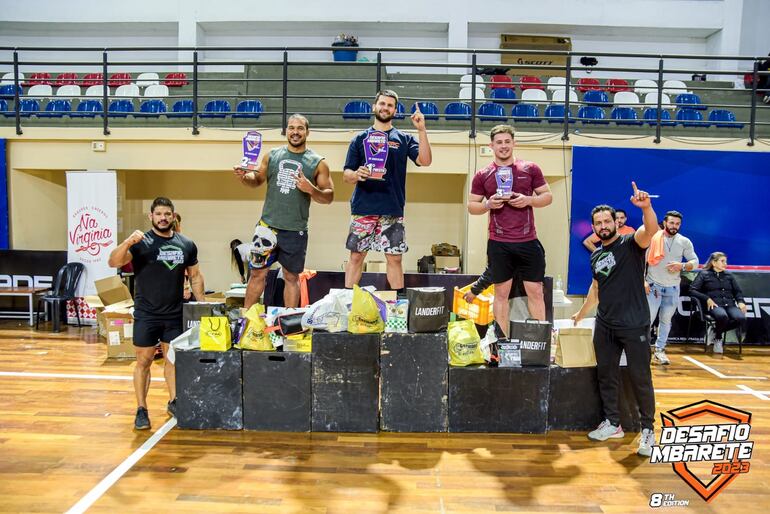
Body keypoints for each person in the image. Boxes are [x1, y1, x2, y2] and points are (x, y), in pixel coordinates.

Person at [571, 183, 659, 457]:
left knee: (640, 377)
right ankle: (613, 423)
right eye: (598, 223)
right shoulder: (596, 255)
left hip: (634, 325)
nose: (603, 225)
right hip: (605, 325)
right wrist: (581, 314)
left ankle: (648, 430)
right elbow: (596, 289)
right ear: (594, 228)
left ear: (616, 223)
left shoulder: (631, 244)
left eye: (607, 220)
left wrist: (646, 208)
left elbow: (651, 230)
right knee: (606, 375)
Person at [107, 197, 204, 430]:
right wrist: (128, 242)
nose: (163, 218)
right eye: (158, 214)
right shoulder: (141, 243)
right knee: (144, 361)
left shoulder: (186, 244)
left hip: (174, 313)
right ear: (151, 216)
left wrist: (202, 305)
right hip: (146, 313)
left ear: (173, 216)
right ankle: (141, 409)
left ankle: (174, 401)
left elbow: (196, 276)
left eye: (167, 214)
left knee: (172, 360)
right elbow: (113, 262)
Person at [233, 114, 334, 309]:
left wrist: (310, 189)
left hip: (295, 230)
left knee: (291, 276)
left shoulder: (318, 162)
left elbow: (329, 197)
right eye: (291, 128)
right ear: (286, 130)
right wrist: (244, 177)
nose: (295, 132)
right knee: (256, 273)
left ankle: (290, 323)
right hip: (266, 228)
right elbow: (257, 181)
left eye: (300, 128)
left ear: (307, 132)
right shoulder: (272, 155)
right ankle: (247, 320)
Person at [342, 90, 432, 295]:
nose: (385, 108)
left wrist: (422, 129)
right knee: (356, 256)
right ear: (374, 107)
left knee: (395, 258)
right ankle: (347, 302)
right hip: (363, 208)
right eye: (382, 103)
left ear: (395, 110)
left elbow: (425, 161)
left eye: (390, 105)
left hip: (392, 208)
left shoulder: (404, 138)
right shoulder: (359, 139)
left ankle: (397, 306)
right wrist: (357, 174)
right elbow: (346, 174)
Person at [467, 124, 552, 332]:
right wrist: (487, 204)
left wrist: (528, 200)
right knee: (501, 293)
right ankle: (503, 342)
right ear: (492, 145)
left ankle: (539, 340)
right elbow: (472, 206)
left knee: (536, 291)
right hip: (499, 243)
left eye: (507, 141)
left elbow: (547, 196)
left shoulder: (530, 168)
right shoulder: (483, 174)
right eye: (499, 142)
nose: (503, 146)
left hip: (528, 241)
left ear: (514, 143)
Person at [645, 210, 698, 365]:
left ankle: (659, 351)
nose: (674, 226)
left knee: (666, 321)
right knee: (647, 320)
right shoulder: (653, 238)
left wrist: (682, 265)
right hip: (653, 285)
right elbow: (641, 260)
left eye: (677, 224)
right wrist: (643, 281)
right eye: (671, 223)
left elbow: (694, 261)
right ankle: (642, 350)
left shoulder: (684, 241)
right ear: (665, 222)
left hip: (672, 287)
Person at [689, 252, 747, 354]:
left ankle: (715, 331)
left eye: (726, 261)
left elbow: (737, 291)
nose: (725, 264)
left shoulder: (729, 275)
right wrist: (707, 299)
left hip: (729, 304)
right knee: (722, 316)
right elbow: (692, 290)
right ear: (714, 263)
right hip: (714, 304)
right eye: (722, 261)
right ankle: (718, 339)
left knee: (741, 318)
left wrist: (741, 302)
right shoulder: (704, 274)